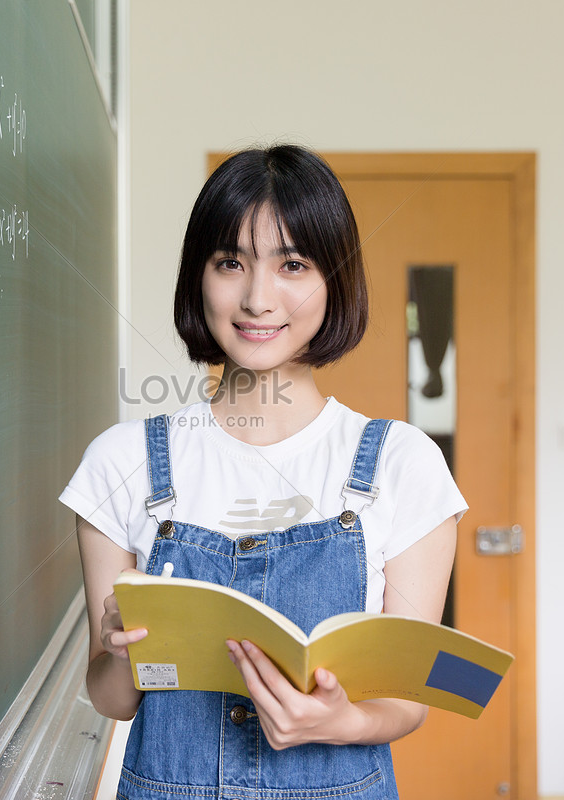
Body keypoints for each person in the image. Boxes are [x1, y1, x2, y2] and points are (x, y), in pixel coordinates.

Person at [59, 144, 466, 800]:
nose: (255, 297)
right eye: (230, 263)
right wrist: (118, 649)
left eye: (293, 264)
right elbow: (112, 701)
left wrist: (345, 720)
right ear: (200, 276)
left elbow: (410, 699)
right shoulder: (121, 462)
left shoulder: (402, 463)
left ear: (335, 281)